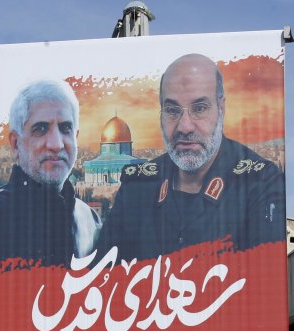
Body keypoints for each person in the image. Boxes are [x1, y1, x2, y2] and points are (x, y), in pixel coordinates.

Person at [98, 53, 284, 260]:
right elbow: (103, 277)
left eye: (200, 108)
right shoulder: (138, 189)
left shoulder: (257, 183)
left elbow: (266, 279)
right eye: (172, 110)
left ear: (221, 109)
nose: (184, 126)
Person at [0, 79, 102, 268]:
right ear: (15, 144)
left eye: (65, 128)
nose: (56, 144)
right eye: (41, 129)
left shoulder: (89, 220)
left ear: (75, 138)